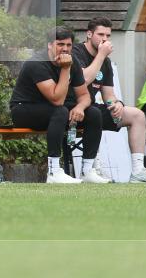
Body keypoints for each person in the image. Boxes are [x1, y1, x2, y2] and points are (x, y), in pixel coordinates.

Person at [10, 26, 110, 184]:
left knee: (94, 113)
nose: (65, 49)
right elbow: (56, 99)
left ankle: (87, 171)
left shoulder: (73, 61)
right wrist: (65, 69)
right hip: (24, 109)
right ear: (50, 45)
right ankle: (53, 172)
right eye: (60, 44)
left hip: (53, 109)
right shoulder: (36, 63)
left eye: (69, 45)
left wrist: (79, 107)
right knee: (61, 111)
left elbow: (84, 95)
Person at [71, 18, 146, 183]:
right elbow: (84, 79)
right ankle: (93, 168)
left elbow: (108, 95)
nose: (105, 39)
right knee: (95, 114)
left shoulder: (105, 61)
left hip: (93, 108)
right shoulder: (77, 52)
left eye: (108, 35)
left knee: (137, 115)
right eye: (100, 34)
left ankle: (137, 171)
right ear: (89, 34)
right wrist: (100, 55)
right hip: (74, 108)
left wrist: (116, 104)